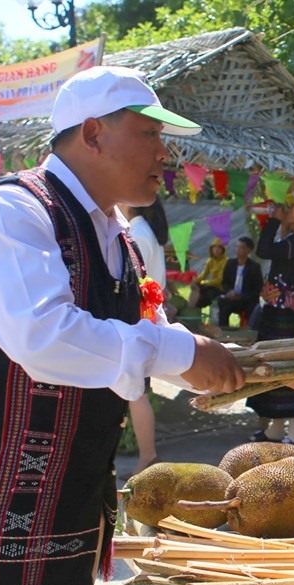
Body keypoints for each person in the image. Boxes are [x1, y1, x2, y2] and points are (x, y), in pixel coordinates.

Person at [0, 65, 243, 585]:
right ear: (92, 133)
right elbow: (46, 338)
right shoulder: (11, 211)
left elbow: (151, 342)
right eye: (148, 133)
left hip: (70, 518)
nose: (164, 154)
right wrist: (182, 350)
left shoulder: (122, 240)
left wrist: (254, 364)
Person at [247, 193, 294, 443]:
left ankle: (292, 429)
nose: (289, 207)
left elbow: (263, 249)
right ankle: (278, 427)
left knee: (283, 368)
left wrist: (272, 221)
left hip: (283, 313)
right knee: (275, 366)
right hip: (277, 311)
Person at [119, 197, 172, 472]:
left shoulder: (136, 232)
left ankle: (147, 457)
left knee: (135, 391)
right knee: (136, 390)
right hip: (146, 316)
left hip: (139, 316)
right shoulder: (143, 230)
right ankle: (147, 457)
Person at [214, 236, 263, 326]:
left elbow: (257, 289)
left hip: (246, 300)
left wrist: (241, 296)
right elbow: (224, 282)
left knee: (252, 306)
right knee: (222, 303)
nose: (238, 249)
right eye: (237, 247)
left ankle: (250, 331)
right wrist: (229, 292)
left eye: (241, 247)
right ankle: (222, 331)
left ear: (248, 250)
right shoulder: (230, 263)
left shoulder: (254, 267)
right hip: (231, 297)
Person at [189, 238, 228, 309]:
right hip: (210, 286)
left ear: (223, 250)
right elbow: (203, 275)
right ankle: (190, 309)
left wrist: (204, 283)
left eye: (219, 247)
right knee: (195, 286)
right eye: (215, 247)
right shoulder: (210, 260)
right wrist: (194, 281)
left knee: (201, 298)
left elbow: (219, 280)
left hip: (220, 289)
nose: (216, 250)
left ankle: (192, 309)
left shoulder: (225, 261)